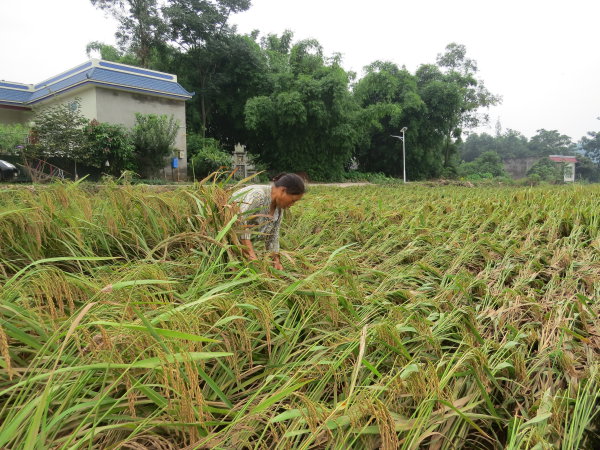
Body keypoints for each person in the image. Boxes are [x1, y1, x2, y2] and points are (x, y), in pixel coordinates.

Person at [233, 173, 305, 270]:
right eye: (293, 200)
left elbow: (273, 236)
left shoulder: (279, 209)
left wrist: (276, 261)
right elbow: (240, 222)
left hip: (239, 242)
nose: (292, 204)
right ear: (283, 191)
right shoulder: (258, 196)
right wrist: (251, 255)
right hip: (224, 237)